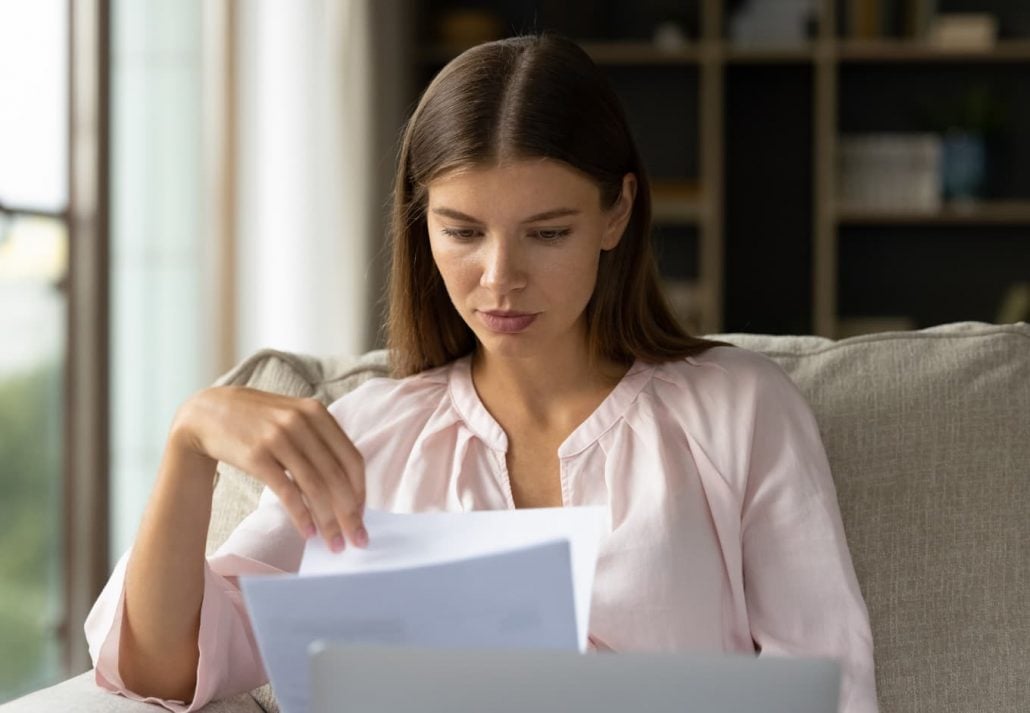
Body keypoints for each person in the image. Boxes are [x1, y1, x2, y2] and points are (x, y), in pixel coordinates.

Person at [85, 33, 878, 713]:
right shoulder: (368, 434)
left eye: (547, 232)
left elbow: (830, 685)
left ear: (616, 213)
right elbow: (163, 665)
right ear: (420, 220)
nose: (500, 278)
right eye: (461, 230)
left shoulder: (738, 411)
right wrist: (190, 442)